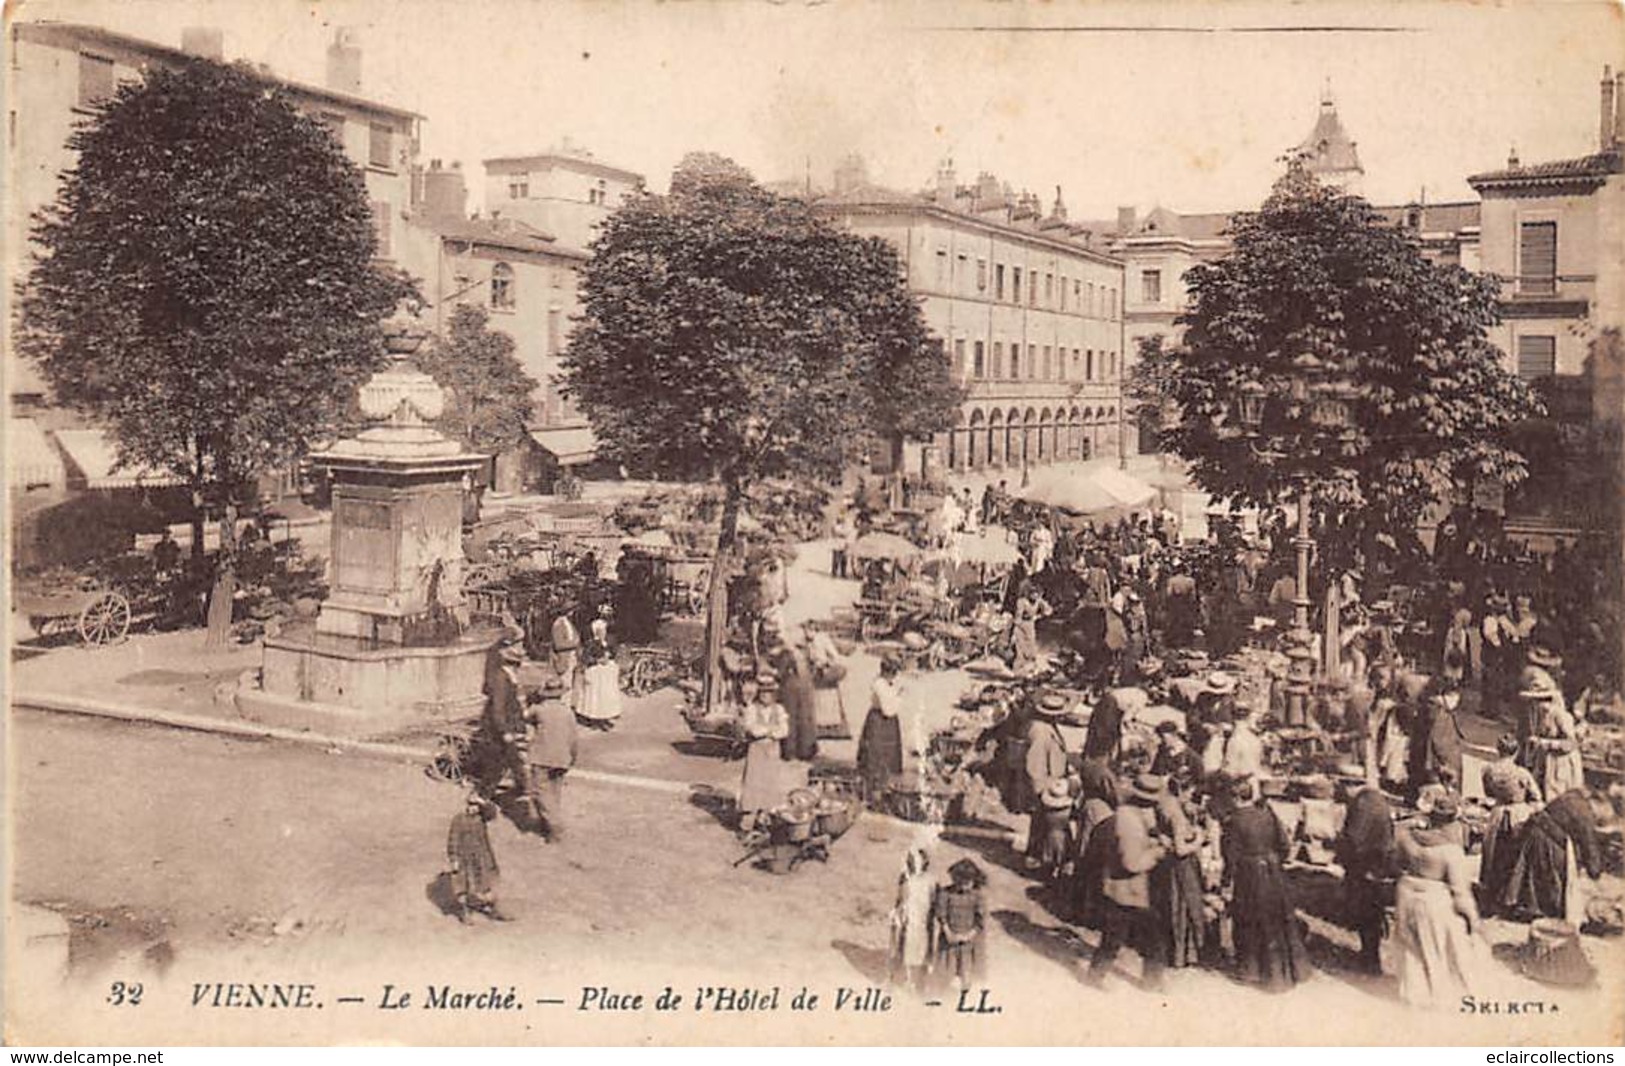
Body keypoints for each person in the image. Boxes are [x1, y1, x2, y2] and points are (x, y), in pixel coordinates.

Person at [1392, 794, 1490, 1009]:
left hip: (1407, 892)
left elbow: (1396, 865)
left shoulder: (1406, 839)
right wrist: (1473, 918)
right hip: (1434, 898)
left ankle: (1415, 993)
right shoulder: (1450, 851)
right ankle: (1439, 996)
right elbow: (1460, 892)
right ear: (1453, 821)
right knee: (1441, 946)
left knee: (1411, 947)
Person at [1221, 778, 1310, 991]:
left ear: (1234, 798)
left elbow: (1231, 856)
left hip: (1250, 875)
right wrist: (1274, 861)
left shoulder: (1234, 821)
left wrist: (1226, 881)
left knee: (1249, 920)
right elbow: (1284, 845)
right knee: (1278, 918)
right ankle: (1292, 970)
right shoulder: (1267, 814)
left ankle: (1251, 970)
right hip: (1273, 872)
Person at [1088, 774, 1170, 989]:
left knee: (1114, 939)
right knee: (1141, 938)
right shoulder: (1130, 823)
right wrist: (1159, 852)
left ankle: (1095, 976)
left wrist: (1152, 839)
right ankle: (1148, 982)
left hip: (1122, 890)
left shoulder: (1128, 813)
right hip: (1129, 891)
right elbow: (1132, 863)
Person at [1502, 788, 1606, 924]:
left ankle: (1529, 905)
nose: (1598, 818)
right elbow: (1589, 844)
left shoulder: (1573, 796)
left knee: (1532, 873)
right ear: (1598, 804)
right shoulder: (1584, 813)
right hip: (1545, 838)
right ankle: (1542, 910)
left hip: (1534, 829)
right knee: (1552, 871)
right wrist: (1595, 871)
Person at [1334, 784, 1395, 974]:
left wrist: (1338, 846)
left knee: (1365, 913)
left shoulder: (1362, 804)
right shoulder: (1378, 799)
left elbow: (1354, 838)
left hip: (1363, 865)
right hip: (1378, 863)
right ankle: (1370, 955)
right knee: (1373, 912)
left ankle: (1370, 959)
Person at [1478, 733, 1542, 913]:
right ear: (1516, 752)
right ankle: (1509, 897)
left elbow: (1489, 793)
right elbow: (1537, 797)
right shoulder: (1522, 773)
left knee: (1493, 855)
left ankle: (1490, 894)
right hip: (1518, 814)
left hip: (1497, 815)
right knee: (1515, 857)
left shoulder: (1488, 770)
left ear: (1499, 750)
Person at [1150, 774, 1207, 969]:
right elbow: (1182, 849)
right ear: (1181, 790)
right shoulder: (1178, 816)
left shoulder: (1164, 804)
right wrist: (1199, 839)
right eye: (1189, 792)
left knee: (1172, 905)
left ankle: (1172, 952)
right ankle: (1185, 954)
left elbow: (1158, 830)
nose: (1191, 796)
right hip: (1183, 865)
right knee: (1186, 907)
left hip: (1168, 865)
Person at [527, 675, 578, 841]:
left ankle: (554, 826)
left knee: (540, 791)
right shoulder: (568, 712)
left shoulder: (539, 710)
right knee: (555, 792)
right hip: (562, 757)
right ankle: (547, 826)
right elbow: (573, 738)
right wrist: (572, 757)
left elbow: (524, 716)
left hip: (542, 757)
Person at [1519, 670, 1584, 802]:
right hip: (1542, 761)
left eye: (1542, 701)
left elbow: (1571, 743)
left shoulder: (1561, 716)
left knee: (1556, 796)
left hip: (1561, 763)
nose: (1539, 706)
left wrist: (1545, 743)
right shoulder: (1532, 716)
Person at [738, 672, 792, 830]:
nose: (765, 696)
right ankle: (748, 817)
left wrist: (769, 731)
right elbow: (753, 730)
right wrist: (770, 731)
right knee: (753, 782)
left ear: (774, 695)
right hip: (757, 750)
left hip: (772, 751)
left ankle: (765, 815)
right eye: (762, 693)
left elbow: (784, 730)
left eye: (769, 693)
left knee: (770, 782)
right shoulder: (752, 709)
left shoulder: (779, 710)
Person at [1023, 694, 1071, 870]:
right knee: (1044, 824)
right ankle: (1036, 859)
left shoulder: (1047, 727)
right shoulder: (1040, 732)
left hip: (1050, 781)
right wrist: (1042, 790)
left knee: (1042, 825)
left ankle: (1036, 858)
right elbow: (1034, 765)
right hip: (1045, 785)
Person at [446, 793, 511, 923]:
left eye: (476, 806)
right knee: (463, 885)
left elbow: (492, 814)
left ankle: (492, 909)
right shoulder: (459, 819)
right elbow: (453, 840)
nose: (473, 808)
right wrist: (454, 860)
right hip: (464, 856)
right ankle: (465, 913)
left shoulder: (481, 818)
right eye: (471, 805)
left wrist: (483, 802)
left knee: (486, 882)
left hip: (481, 855)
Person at [1408, 674, 1466, 804]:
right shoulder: (1439, 709)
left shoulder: (1428, 705)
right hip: (1440, 752)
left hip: (1428, 750)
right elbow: (1437, 740)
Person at [934, 858, 989, 988]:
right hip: (949, 938)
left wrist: (969, 935)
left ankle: (965, 991)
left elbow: (980, 920)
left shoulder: (978, 896)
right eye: (959, 882)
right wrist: (947, 932)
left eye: (967, 883)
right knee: (946, 969)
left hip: (969, 939)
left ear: (974, 881)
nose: (963, 886)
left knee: (967, 970)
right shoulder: (945, 893)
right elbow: (941, 915)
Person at [858, 657, 906, 806]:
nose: (895, 676)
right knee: (876, 756)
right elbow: (888, 709)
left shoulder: (885, 683)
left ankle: (884, 788)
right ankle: (873, 795)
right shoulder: (879, 685)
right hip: (880, 721)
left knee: (887, 756)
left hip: (887, 722)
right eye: (894, 672)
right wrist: (899, 696)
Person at [889, 846, 935, 990]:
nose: (912, 865)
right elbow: (900, 898)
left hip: (923, 916)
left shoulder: (930, 880)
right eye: (910, 862)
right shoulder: (905, 878)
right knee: (905, 945)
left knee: (923, 946)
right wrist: (897, 912)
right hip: (909, 917)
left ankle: (921, 977)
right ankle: (905, 977)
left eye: (915, 862)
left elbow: (933, 899)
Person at [577, 615, 623, 730]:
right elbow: (585, 658)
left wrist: (610, 658)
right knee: (596, 697)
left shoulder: (609, 642)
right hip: (596, 673)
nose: (602, 633)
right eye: (599, 631)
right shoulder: (590, 643)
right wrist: (597, 660)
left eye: (603, 630)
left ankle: (605, 718)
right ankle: (595, 719)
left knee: (606, 696)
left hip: (606, 675)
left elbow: (614, 654)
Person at [550, 611, 584, 712]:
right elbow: (558, 644)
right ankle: (562, 708)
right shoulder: (558, 624)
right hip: (564, 657)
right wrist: (574, 643)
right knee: (565, 683)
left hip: (572, 657)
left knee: (572, 683)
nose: (573, 612)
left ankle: (568, 707)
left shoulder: (569, 623)